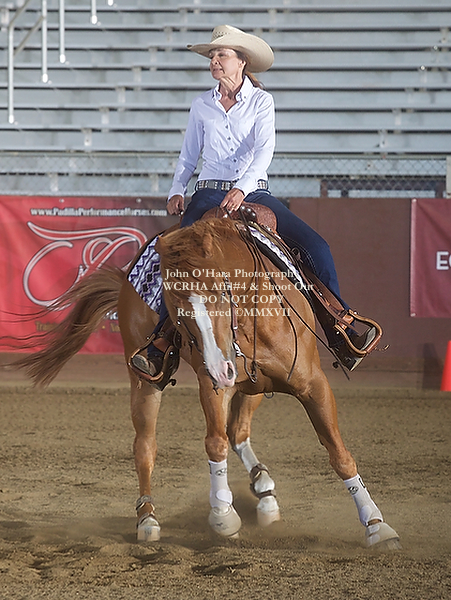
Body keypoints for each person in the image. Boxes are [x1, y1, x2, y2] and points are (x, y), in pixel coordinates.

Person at [131, 25, 378, 386]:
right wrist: (177, 189)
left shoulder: (262, 102)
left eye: (222, 55)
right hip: (208, 193)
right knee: (181, 261)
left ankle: (340, 326)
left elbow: (264, 152)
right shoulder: (201, 105)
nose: (214, 61)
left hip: (255, 192)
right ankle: (161, 342)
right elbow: (188, 155)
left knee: (316, 247)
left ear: (242, 61)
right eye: (212, 56)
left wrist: (242, 189)